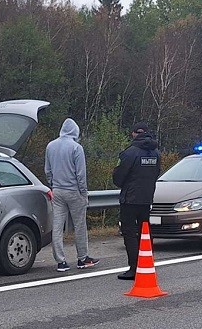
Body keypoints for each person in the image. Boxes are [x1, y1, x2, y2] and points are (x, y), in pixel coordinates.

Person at [44, 118, 100, 272]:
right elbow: (81, 174)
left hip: (58, 191)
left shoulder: (50, 146)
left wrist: (53, 184)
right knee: (80, 226)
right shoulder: (76, 148)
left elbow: (47, 170)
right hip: (74, 191)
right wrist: (83, 193)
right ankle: (82, 258)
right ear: (75, 132)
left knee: (57, 227)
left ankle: (61, 261)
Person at [112, 121, 161, 280]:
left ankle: (134, 267)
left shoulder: (130, 152)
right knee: (145, 231)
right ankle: (146, 262)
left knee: (129, 233)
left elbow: (118, 178)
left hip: (130, 199)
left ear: (134, 133)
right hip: (147, 198)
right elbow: (156, 174)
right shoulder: (156, 153)